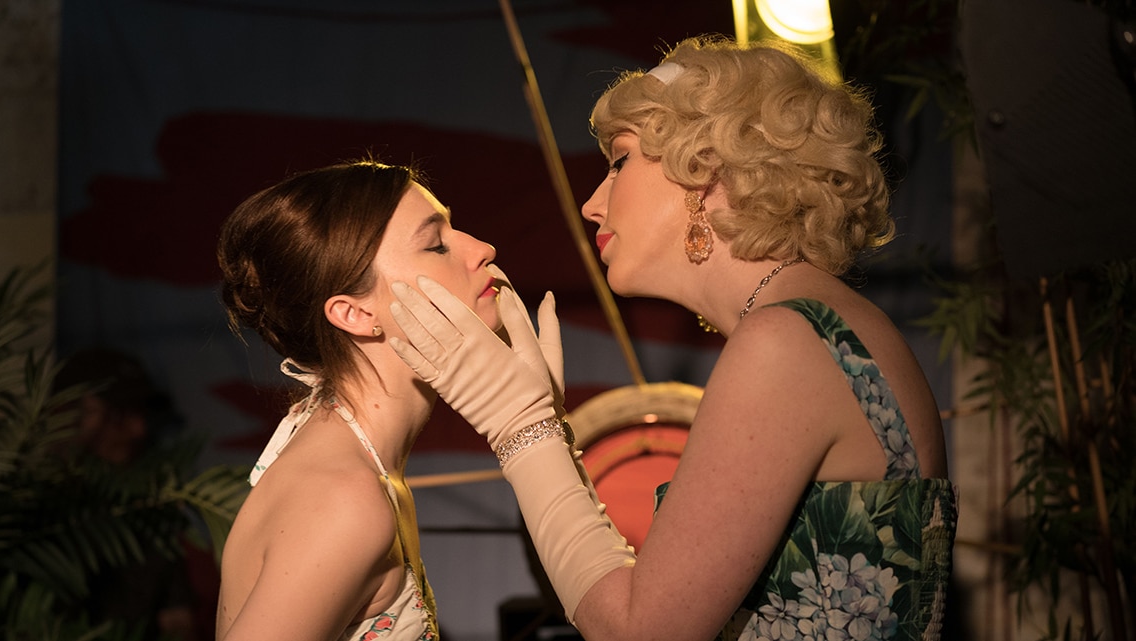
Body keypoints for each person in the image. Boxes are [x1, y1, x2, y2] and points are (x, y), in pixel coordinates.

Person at [389, 35, 958, 641]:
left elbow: (640, 632)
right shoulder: (822, 326)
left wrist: (521, 429)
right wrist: (550, 434)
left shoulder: (786, 341)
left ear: (706, 168)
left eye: (620, 161)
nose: (591, 204)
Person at [215, 158, 510, 641]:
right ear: (354, 313)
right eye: (435, 244)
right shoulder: (343, 498)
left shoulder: (352, 460)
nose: (482, 249)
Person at [53, 348, 200, 641]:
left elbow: (177, 620)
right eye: (119, 414)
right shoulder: (24, 513)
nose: (138, 429)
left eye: (141, 413)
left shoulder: (148, 511)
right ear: (67, 415)